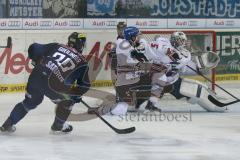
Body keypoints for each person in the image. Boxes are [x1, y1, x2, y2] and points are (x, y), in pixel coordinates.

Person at [0, 32, 91, 133]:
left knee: (29, 102)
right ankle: (58, 126)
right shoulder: (83, 62)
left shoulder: (57, 46)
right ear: (81, 45)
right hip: (55, 85)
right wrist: (76, 95)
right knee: (67, 101)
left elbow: (33, 47)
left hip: (36, 76)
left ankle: (7, 124)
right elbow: (85, 85)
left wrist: (36, 60)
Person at [141, 31, 225, 112]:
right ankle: (147, 106)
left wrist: (200, 66)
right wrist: (166, 49)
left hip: (173, 80)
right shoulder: (164, 43)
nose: (182, 43)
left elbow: (184, 68)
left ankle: (213, 103)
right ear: (174, 40)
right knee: (155, 87)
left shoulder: (185, 54)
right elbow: (156, 43)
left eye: (183, 41)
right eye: (180, 40)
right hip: (158, 75)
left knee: (194, 91)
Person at [110, 26, 152, 115]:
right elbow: (137, 58)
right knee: (121, 108)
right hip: (126, 78)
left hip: (130, 76)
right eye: (137, 36)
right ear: (132, 37)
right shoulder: (125, 46)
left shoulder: (127, 44)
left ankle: (134, 102)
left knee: (149, 84)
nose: (139, 38)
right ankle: (106, 110)